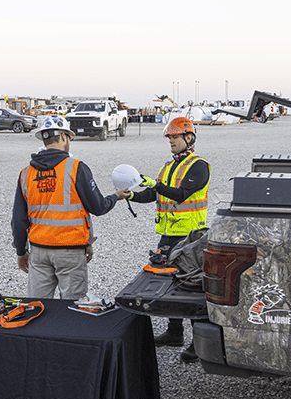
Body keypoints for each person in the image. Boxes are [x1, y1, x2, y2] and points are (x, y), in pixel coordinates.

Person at [12, 115, 131, 299]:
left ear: (44, 139)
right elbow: (98, 207)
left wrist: (21, 252)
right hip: (70, 250)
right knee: (73, 310)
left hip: (39, 252)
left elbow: (18, 220)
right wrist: (115, 197)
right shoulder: (76, 168)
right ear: (63, 137)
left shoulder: (26, 173)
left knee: (38, 308)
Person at [125, 116, 211, 363]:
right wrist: (132, 195)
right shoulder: (168, 166)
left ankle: (199, 343)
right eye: (169, 137)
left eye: (174, 137)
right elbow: (154, 193)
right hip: (168, 235)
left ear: (189, 138)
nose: (171, 141)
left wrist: (155, 184)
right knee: (169, 283)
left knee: (192, 288)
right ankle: (175, 333)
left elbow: (181, 194)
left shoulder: (199, 166)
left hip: (190, 238)